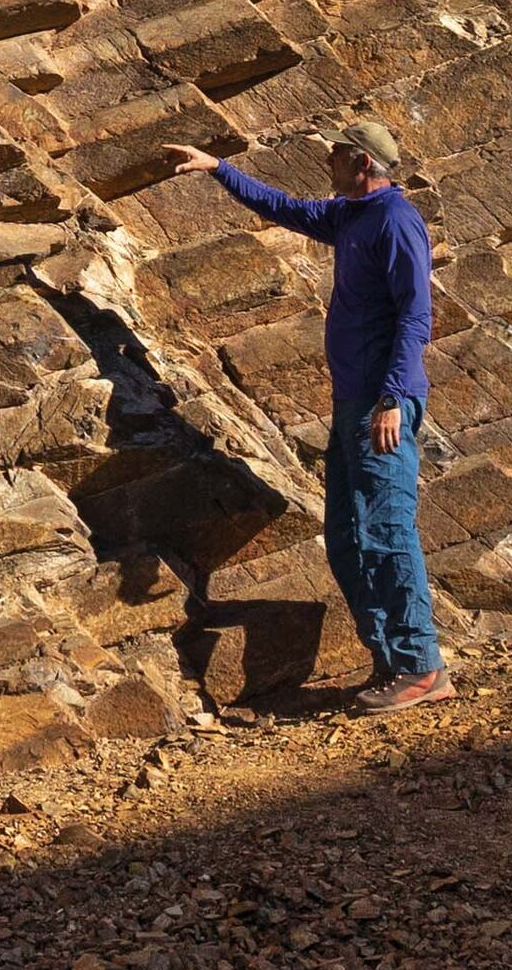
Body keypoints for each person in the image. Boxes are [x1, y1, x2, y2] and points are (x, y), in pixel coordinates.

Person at [170, 119, 450, 713]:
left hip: (382, 404)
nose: (327, 164)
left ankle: (422, 666)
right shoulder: (350, 215)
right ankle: (390, 663)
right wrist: (218, 168)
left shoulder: (397, 221)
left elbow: (416, 315)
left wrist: (393, 397)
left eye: (336, 157)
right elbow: (284, 207)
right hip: (354, 403)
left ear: (362, 163)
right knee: (350, 538)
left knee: (389, 530)